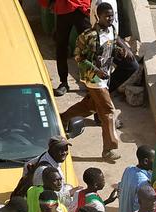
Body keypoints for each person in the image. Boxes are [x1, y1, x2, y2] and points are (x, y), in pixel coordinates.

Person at [61, 2, 123, 162]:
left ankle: (62, 118)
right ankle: (109, 149)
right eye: (107, 16)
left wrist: (120, 51)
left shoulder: (112, 31)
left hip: (105, 76)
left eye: (112, 16)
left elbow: (110, 48)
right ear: (98, 17)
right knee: (108, 111)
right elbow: (78, 57)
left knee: (90, 107)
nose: (110, 19)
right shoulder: (88, 36)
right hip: (93, 79)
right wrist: (96, 70)